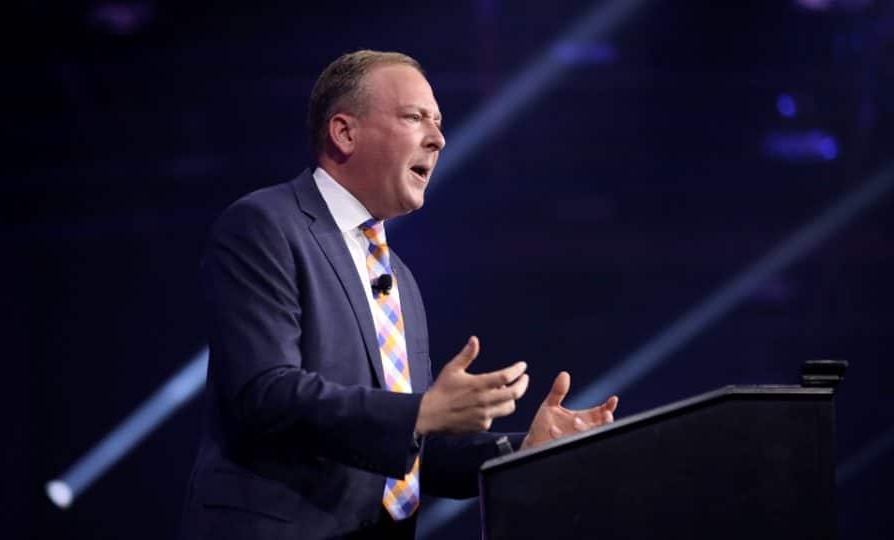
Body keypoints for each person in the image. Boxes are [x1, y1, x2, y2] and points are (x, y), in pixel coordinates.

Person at [179, 50, 619, 539]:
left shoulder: (400, 278)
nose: (438, 138)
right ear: (344, 132)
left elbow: (411, 452)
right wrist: (421, 412)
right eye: (415, 117)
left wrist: (524, 450)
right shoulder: (266, 225)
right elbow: (265, 394)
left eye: (439, 122)